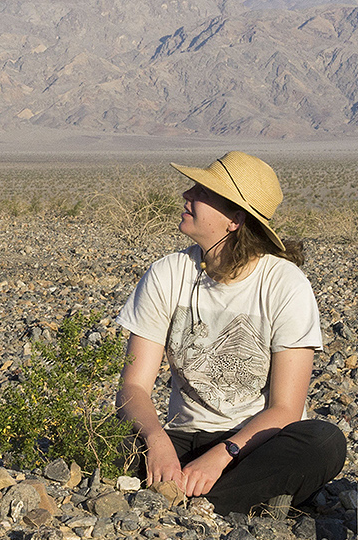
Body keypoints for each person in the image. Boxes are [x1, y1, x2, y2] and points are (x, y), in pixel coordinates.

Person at [116, 151, 346, 514]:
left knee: (324, 442)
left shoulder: (285, 284)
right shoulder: (167, 274)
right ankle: (235, 498)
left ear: (234, 220)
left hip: (249, 445)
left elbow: (285, 409)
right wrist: (156, 439)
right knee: (108, 436)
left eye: (202, 192)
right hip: (178, 439)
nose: (186, 196)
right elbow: (133, 388)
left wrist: (222, 456)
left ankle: (186, 499)